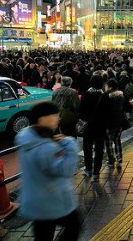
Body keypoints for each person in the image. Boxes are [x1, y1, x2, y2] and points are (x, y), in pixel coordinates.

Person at [15, 101, 81, 240]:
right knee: (74, 225)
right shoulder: (46, 148)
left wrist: (52, 142)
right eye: (55, 115)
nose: (58, 118)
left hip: (35, 200)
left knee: (43, 234)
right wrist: (68, 144)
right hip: (52, 200)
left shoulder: (26, 137)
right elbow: (67, 169)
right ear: (43, 118)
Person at [79, 74, 105, 182]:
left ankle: (88, 169)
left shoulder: (86, 94)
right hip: (101, 126)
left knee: (87, 147)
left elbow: (81, 112)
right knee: (99, 149)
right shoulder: (105, 96)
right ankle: (96, 173)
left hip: (88, 125)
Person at [101, 79, 125, 167]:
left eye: (106, 86)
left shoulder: (108, 97)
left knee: (108, 142)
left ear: (110, 87)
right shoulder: (121, 95)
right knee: (117, 140)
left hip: (109, 122)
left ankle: (111, 160)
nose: (105, 87)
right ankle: (119, 157)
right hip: (119, 121)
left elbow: (104, 110)